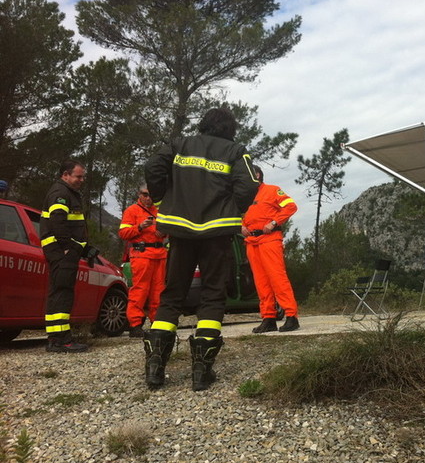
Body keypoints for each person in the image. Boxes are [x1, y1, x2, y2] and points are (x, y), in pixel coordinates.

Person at [143, 107, 258, 391]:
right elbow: (249, 185)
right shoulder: (235, 150)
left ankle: (155, 368)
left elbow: (152, 168)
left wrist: (162, 202)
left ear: (204, 124)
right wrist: (232, 210)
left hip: (180, 230)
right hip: (217, 231)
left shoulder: (179, 145)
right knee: (212, 295)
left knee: (172, 295)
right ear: (230, 128)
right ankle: (201, 371)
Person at [39, 160, 90, 353]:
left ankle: (56, 338)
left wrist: (84, 247)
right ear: (65, 175)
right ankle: (61, 339)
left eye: (82, 176)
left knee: (59, 291)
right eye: (78, 176)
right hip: (61, 251)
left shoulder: (66, 193)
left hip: (61, 250)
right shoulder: (60, 193)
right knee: (62, 292)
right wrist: (68, 247)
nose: (81, 180)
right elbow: (58, 223)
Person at [242, 165, 300, 333]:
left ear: (257, 175)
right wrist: (241, 226)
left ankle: (291, 316)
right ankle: (268, 318)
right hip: (252, 242)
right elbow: (240, 217)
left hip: (270, 240)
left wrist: (274, 222)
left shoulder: (272, 190)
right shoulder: (245, 197)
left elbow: (291, 206)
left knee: (277, 278)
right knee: (261, 282)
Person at [118, 184, 168, 338]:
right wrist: (139, 227)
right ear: (138, 194)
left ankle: (157, 323)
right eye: (144, 195)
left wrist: (164, 232)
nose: (148, 198)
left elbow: (168, 232)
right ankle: (135, 324)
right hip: (141, 254)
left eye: (150, 195)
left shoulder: (161, 211)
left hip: (159, 254)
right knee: (140, 289)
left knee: (158, 291)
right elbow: (123, 233)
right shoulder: (132, 211)